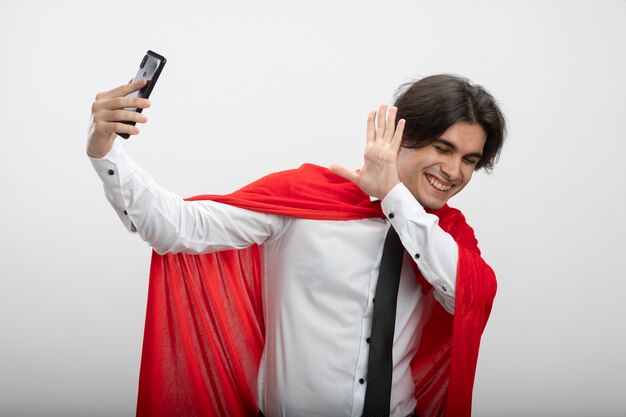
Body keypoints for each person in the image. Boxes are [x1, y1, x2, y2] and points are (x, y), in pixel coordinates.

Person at [87, 74, 506, 417]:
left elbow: (468, 295)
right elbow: (177, 227)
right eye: (443, 148)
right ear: (403, 135)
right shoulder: (304, 199)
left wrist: (395, 198)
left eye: (470, 160)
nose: (454, 171)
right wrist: (105, 149)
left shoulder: (444, 233)